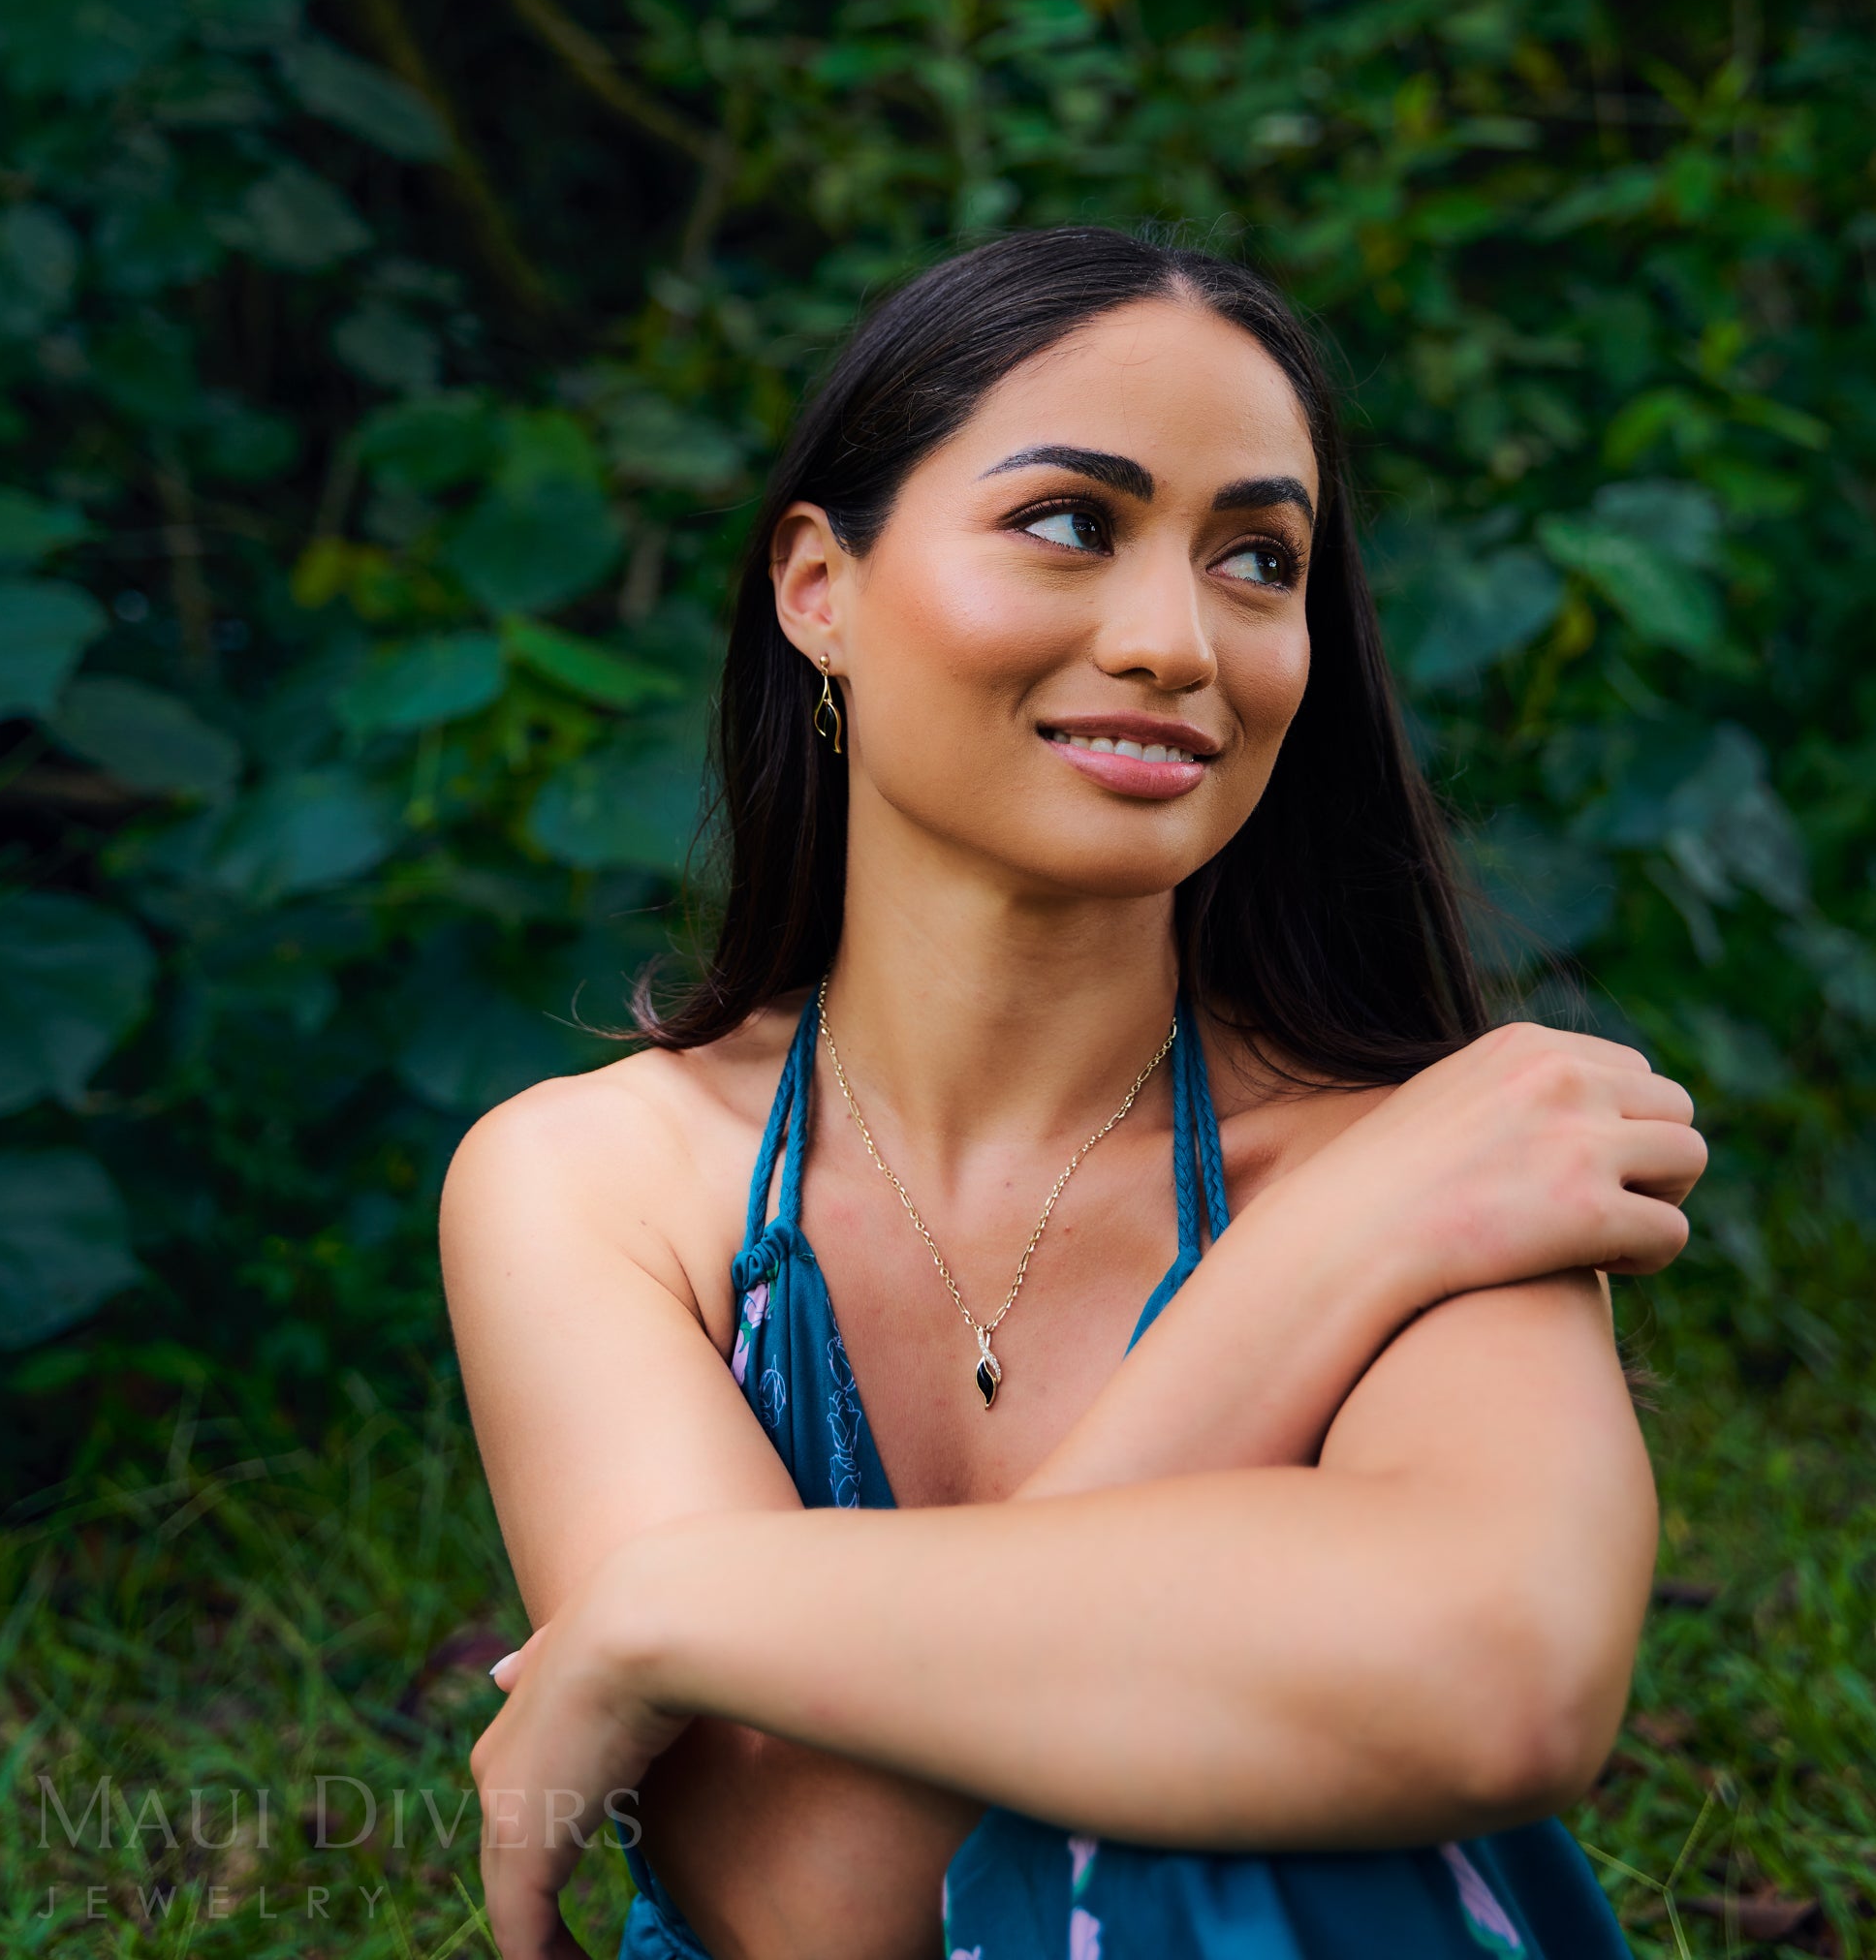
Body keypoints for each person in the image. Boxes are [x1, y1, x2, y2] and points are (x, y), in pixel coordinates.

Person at [443, 227, 1705, 1960]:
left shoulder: (1428, 1159)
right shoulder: (596, 1184)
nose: (1179, 640)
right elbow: (822, 1903)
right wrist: (1309, 1275)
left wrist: (687, 1608)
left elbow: (1503, 1698)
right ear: (819, 589)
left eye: (1258, 559)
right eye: (1070, 523)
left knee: (1261, 1828)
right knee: (1225, 1723)